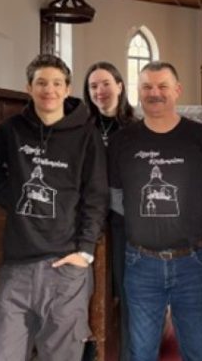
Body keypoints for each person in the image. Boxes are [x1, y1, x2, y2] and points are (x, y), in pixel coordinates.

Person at [108, 61, 202, 361]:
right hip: (141, 262)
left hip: (193, 260)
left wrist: (191, 218)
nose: (155, 93)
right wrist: (142, 218)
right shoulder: (122, 140)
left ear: (177, 90)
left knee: (196, 350)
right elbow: (114, 195)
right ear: (138, 92)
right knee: (140, 352)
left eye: (163, 86)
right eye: (147, 87)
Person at [0, 54, 108, 361]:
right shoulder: (11, 130)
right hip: (18, 265)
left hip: (65, 264)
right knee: (3, 354)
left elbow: (96, 196)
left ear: (67, 89)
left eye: (56, 83)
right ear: (29, 88)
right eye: (41, 83)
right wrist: (14, 198)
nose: (49, 90)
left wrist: (84, 252)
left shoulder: (86, 135)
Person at [83, 61, 137, 361]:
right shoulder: (81, 127)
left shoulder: (135, 128)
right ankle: (90, 351)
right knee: (89, 291)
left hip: (123, 220)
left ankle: (127, 352)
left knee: (126, 291)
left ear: (119, 86)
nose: (100, 91)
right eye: (93, 86)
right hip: (89, 219)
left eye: (106, 84)